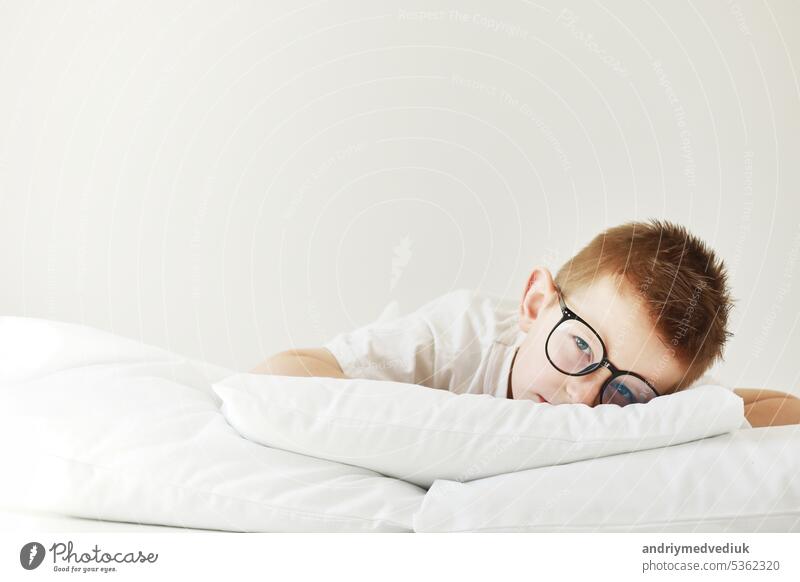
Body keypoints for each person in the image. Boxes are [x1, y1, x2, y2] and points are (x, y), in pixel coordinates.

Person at [251, 219, 800, 428]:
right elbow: (280, 372)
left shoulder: (644, 397)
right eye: (582, 345)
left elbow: (771, 410)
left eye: (623, 392)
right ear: (536, 306)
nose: (584, 398)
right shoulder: (454, 337)